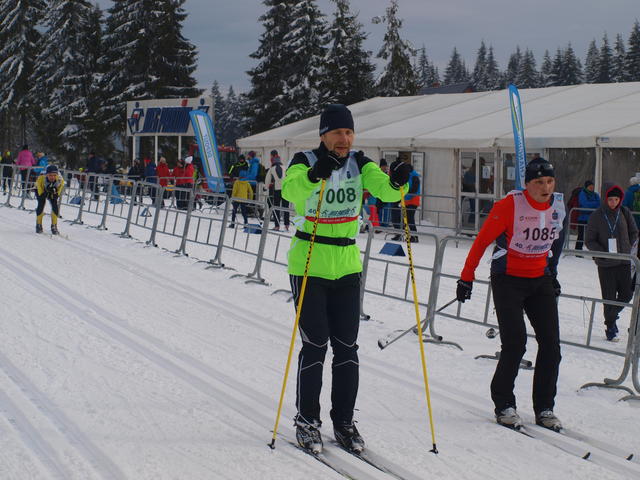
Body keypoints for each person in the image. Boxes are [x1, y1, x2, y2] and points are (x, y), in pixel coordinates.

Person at [282, 104, 411, 454]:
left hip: (347, 265)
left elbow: (387, 191)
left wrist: (399, 180)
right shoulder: (304, 161)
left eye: (349, 132)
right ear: (323, 134)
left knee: (347, 348)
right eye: (338, 132)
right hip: (309, 264)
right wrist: (314, 176)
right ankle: (307, 420)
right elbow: (290, 192)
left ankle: (344, 421)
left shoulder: (360, 162)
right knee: (315, 345)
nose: (345, 139)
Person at [456, 157, 567, 432]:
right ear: (527, 184)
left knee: (551, 345)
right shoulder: (509, 206)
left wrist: (552, 273)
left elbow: (556, 241)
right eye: (539, 182)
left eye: (550, 181)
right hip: (508, 278)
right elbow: (482, 241)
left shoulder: (557, 205)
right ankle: (504, 403)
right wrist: (466, 277)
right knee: (516, 343)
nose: (545, 187)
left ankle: (545, 407)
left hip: (539, 278)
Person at [585, 186, 638, 342]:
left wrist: (628, 247)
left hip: (624, 261)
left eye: (616, 199)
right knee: (609, 297)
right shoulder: (597, 215)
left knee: (627, 294)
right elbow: (589, 240)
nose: (613, 202)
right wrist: (603, 253)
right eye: (610, 199)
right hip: (606, 264)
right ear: (605, 199)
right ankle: (611, 329)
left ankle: (610, 316)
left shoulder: (624, 212)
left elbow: (634, 232)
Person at [391, 162, 420, 242]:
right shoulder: (408, 176)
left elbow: (414, 189)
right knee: (403, 218)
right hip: (406, 200)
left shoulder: (414, 176)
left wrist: (405, 194)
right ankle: (401, 234)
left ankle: (414, 236)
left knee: (410, 218)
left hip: (413, 200)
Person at [35, 165, 65, 234]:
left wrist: (56, 194)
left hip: (53, 190)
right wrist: (44, 194)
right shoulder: (41, 178)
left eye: (54, 175)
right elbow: (40, 190)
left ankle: (54, 225)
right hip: (41, 189)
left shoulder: (60, 180)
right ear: (46, 174)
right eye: (50, 175)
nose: (52, 177)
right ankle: (38, 224)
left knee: (55, 207)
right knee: (41, 205)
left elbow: (58, 191)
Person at [264, 149, 289, 231]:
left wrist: (265, 188)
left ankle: (277, 226)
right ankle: (287, 225)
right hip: (285, 189)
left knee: (276, 207)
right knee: (286, 207)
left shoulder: (272, 168)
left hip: (277, 190)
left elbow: (267, 179)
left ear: (272, 156)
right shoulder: (284, 167)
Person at [575, 180, 600, 251]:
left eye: (592, 186)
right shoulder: (582, 194)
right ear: (586, 187)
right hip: (583, 218)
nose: (592, 188)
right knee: (581, 235)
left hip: (593, 219)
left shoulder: (596, 195)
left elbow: (599, 203)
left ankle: (594, 251)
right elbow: (585, 204)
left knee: (593, 236)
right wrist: (594, 204)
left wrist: (591, 205)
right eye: (590, 187)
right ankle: (578, 250)